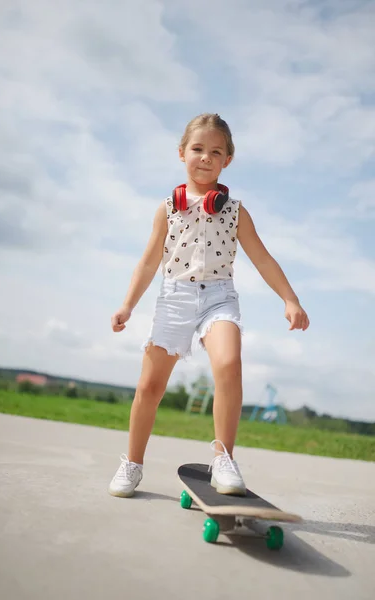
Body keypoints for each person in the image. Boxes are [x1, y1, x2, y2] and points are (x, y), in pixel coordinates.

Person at [109, 113, 309, 498]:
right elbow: (149, 261)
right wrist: (127, 305)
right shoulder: (167, 208)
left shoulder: (235, 211)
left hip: (219, 296)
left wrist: (290, 299)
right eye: (197, 149)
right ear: (182, 152)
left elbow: (263, 259)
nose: (205, 157)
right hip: (175, 297)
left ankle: (224, 458)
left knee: (229, 364)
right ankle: (132, 464)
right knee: (150, 386)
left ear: (227, 161)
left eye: (215, 152)